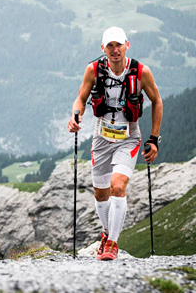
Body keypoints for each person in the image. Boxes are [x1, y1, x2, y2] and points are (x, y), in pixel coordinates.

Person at [67, 26, 163, 260]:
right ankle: (107, 233)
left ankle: (112, 244)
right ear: (103, 48)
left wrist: (153, 139)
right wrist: (75, 116)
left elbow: (157, 101)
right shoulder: (93, 70)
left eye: (118, 44)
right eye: (110, 45)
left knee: (117, 186)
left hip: (129, 138)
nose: (115, 49)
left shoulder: (141, 72)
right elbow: (81, 99)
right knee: (100, 194)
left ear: (127, 45)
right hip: (101, 138)